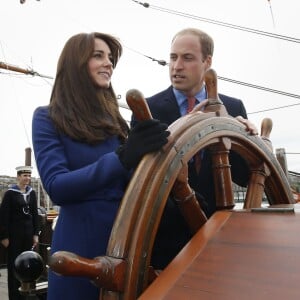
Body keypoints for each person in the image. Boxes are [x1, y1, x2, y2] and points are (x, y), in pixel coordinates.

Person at [31, 32, 169, 300]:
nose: (108, 63)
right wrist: (122, 158)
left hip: (127, 244)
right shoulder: (47, 118)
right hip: (79, 248)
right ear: (75, 63)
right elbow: (57, 186)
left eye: (110, 58)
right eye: (98, 55)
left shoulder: (115, 121)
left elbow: (134, 181)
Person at [131, 27, 256, 270]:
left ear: (207, 62)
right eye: (173, 57)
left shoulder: (232, 107)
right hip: (166, 248)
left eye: (187, 58)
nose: (176, 66)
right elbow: (137, 178)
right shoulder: (146, 109)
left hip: (222, 240)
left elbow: (245, 176)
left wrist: (245, 137)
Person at [0, 165, 39, 300]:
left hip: (28, 235)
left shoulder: (32, 193)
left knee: (27, 265)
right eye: (24, 176)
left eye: (29, 176)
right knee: (14, 266)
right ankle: (15, 296)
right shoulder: (10, 193)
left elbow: (35, 214)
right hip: (14, 236)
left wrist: (36, 234)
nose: (27, 178)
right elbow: (3, 216)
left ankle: (26, 295)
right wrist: (4, 236)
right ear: (18, 177)